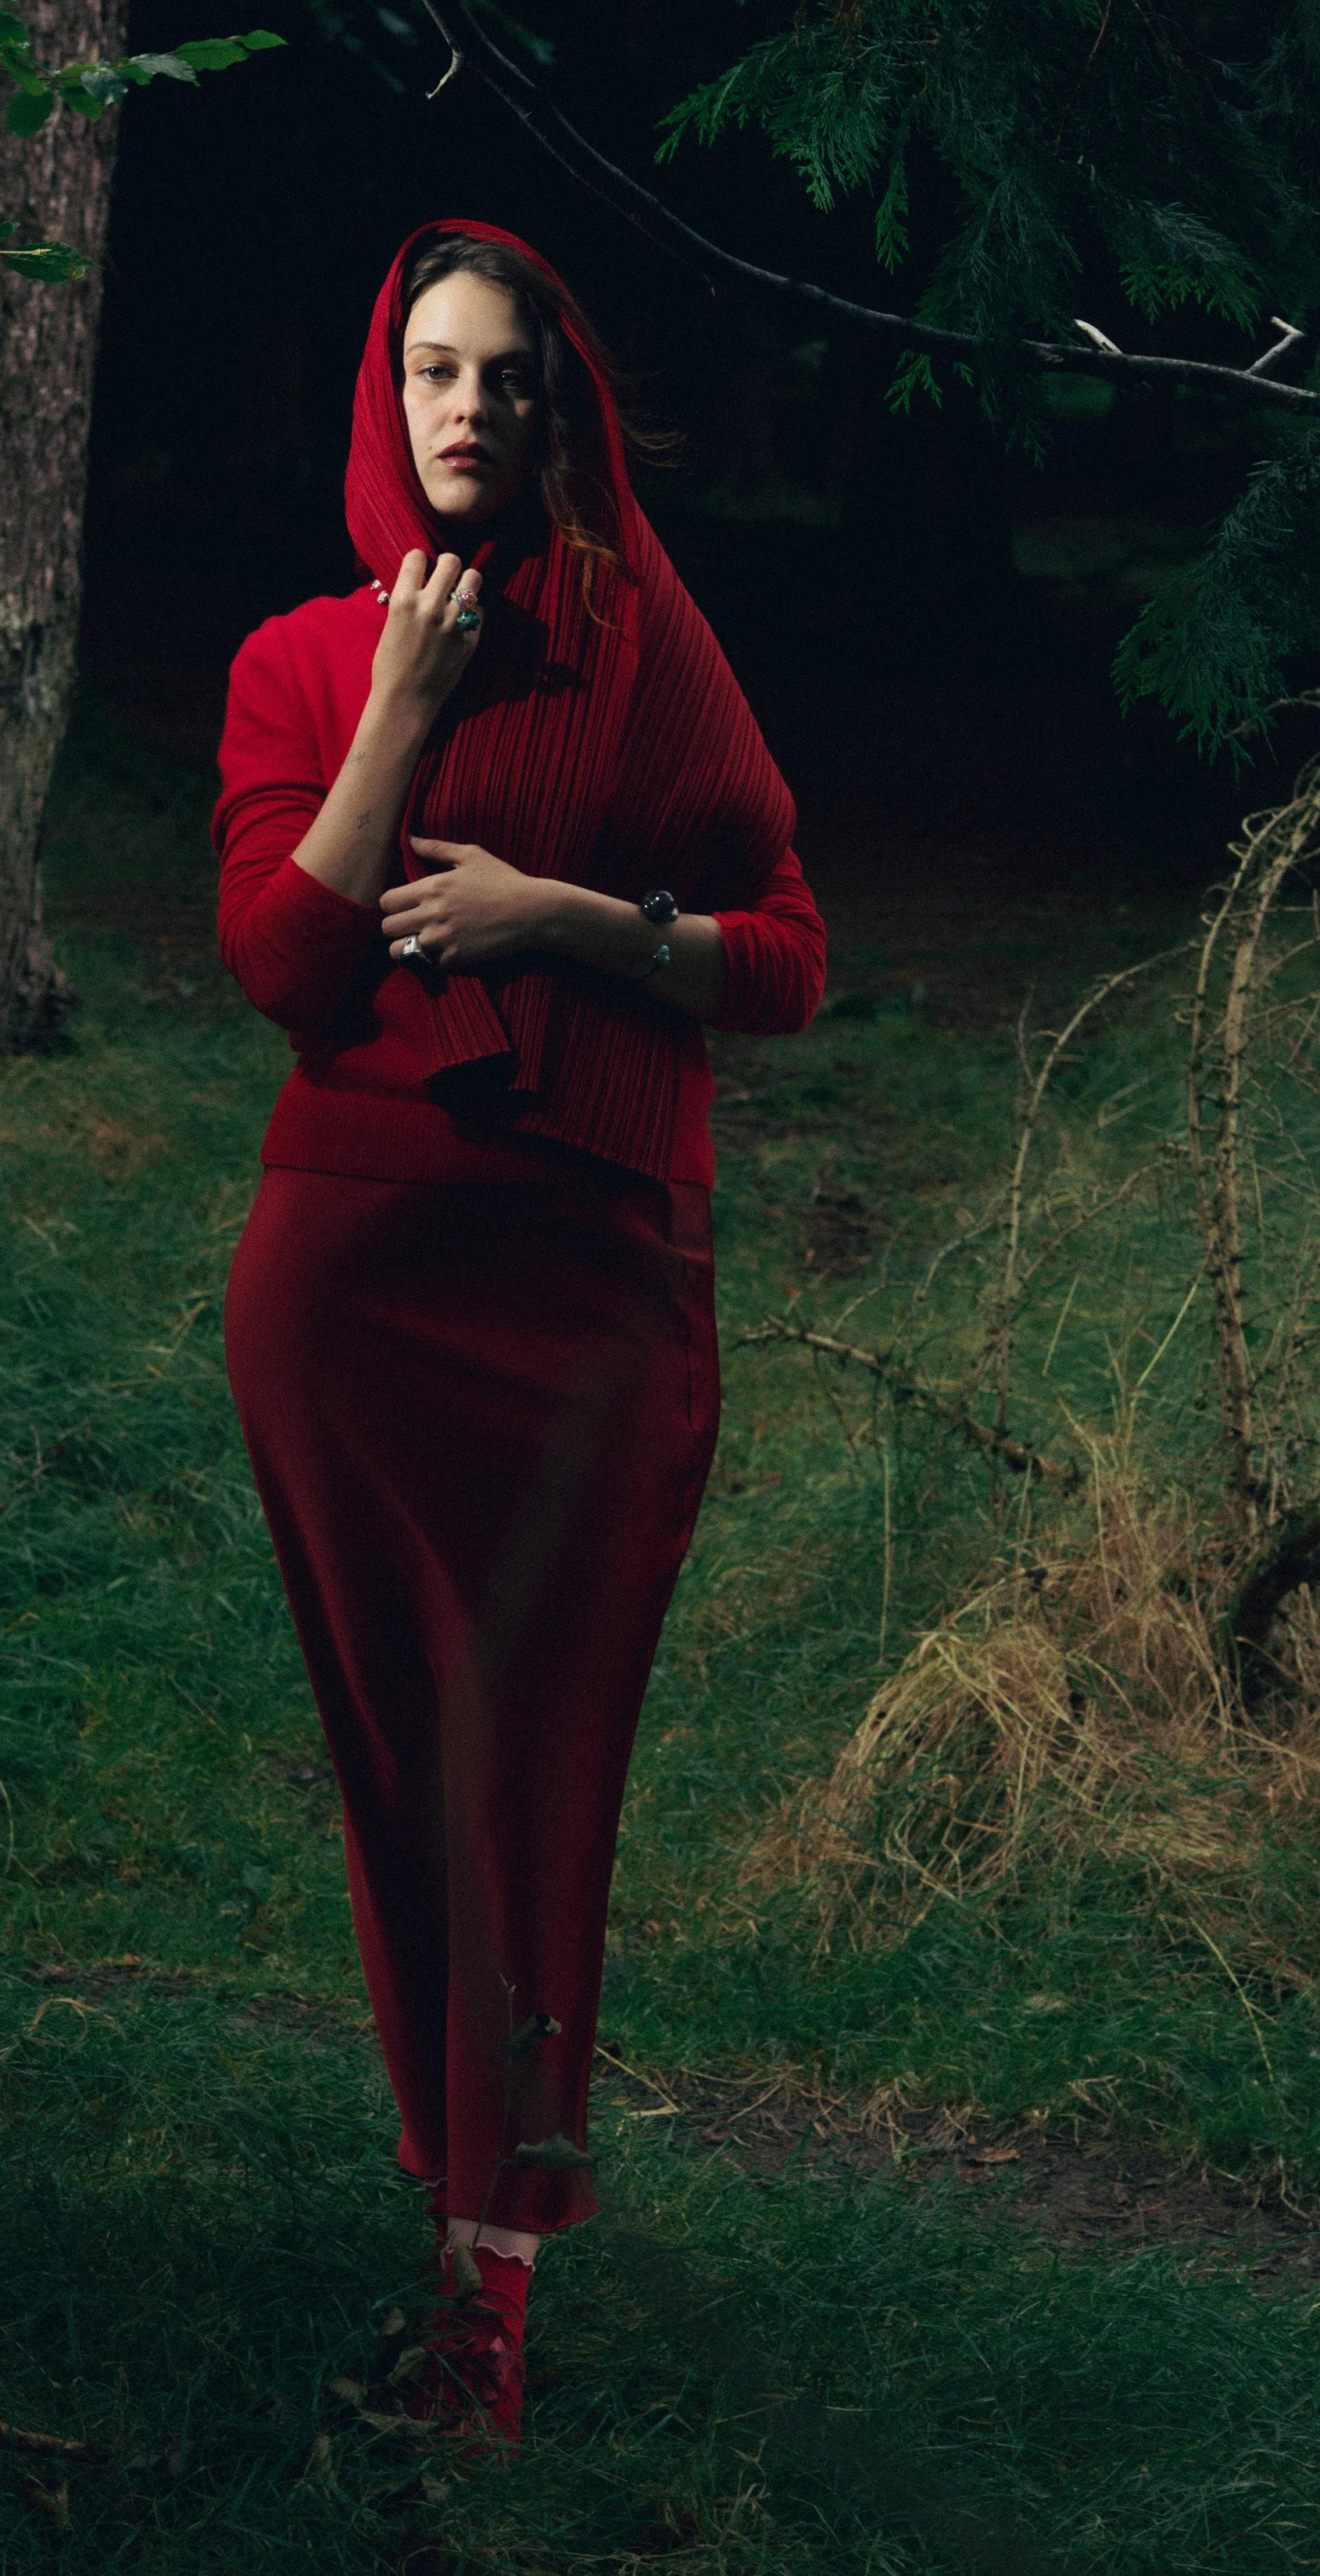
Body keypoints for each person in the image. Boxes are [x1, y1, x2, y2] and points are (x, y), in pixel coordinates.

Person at [214, 219, 825, 2445]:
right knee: (409, 1777)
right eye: (429, 375)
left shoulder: (648, 653)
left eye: (508, 377)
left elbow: (783, 957)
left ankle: (490, 2261)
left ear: (564, 408)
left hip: (590, 1296)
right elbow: (288, 973)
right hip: (354, 1288)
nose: (466, 410)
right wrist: (397, 699)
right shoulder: (295, 661)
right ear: (385, 405)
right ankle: (470, 2232)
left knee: (534, 1768)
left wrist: (564, 916)